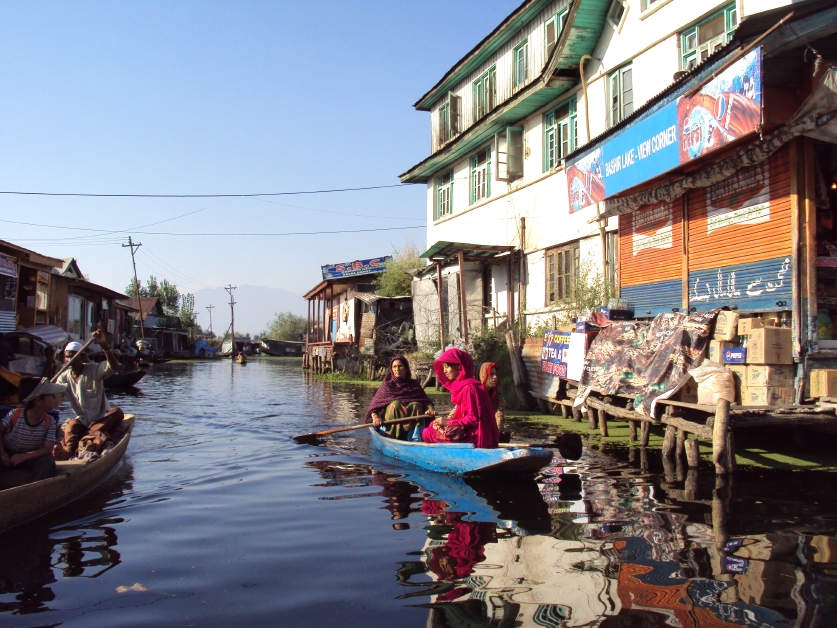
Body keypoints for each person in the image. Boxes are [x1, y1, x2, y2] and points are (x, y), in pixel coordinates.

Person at [54, 329, 124, 459]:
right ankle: (68, 453)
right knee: (71, 427)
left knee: (117, 412)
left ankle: (87, 438)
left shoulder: (93, 369)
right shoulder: (63, 377)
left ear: (81, 357)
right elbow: (55, 394)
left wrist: (104, 346)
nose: (70, 360)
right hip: (82, 419)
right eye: (67, 356)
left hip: (100, 417)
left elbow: (113, 368)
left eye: (73, 356)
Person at [422, 348, 499, 448]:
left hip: (473, 437)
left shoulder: (469, 388)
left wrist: (447, 422)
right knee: (433, 424)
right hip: (471, 433)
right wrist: (444, 423)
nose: (444, 371)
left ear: (458, 366)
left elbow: (472, 419)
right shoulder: (471, 386)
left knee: (426, 432)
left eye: (446, 367)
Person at [0, 377, 65, 484]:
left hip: (30, 457)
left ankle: (33, 487)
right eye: (51, 395)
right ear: (39, 400)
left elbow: (47, 449)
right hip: (8, 454)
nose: (54, 397)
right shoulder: (14, 415)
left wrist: (24, 456)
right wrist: (2, 453)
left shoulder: (50, 421)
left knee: (48, 462)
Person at [366, 355, 435, 441]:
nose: (397, 369)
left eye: (400, 366)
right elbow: (374, 406)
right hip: (391, 424)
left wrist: (430, 410)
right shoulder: (387, 385)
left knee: (416, 405)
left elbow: (427, 402)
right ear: (391, 369)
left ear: (406, 369)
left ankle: (415, 438)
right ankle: (392, 436)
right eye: (394, 367)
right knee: (395, 404)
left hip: (411, 423)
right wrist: (375, 417)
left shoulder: (414, 385)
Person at [478, 362, 506, 435]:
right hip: (476, 432)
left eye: (496, 374)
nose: (495, 377)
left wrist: (495, 432)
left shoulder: (498, 398)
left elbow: (499, 417)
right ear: (483, 375)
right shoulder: (474, 394)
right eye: (491, 374)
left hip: (492, 433)